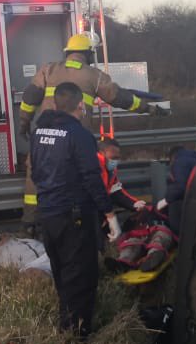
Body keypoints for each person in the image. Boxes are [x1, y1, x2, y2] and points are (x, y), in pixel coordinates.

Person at [18, 34, 150, 234]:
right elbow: (120, 98)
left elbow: (30, 97)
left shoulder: (49, 69)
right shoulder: (94, 76)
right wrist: (147, 107)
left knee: (34, 176)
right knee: (81, 177)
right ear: (88, 53)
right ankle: (85, 225)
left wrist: (24, 122)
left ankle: (30, 224)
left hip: (44, 135)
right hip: (75, 138)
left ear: (68, 52)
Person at [30, 82, 120, 337]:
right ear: (80, 104)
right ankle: (77, 335)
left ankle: (66, 325)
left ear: (56, 104)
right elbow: (91, 177)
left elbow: (35, 170)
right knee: (80, 274)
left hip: (48, 213)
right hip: (73, 216)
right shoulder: (79, 135)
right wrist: (110, 214)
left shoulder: (39, 132)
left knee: (61, 272)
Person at [157, 144, 196, 234]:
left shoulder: (179, 162)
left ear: (172, 157)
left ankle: (178, 237)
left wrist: (166, 199)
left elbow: (180, 187)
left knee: (174, 203)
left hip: (195, 201)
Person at [98, 140, 148, 214]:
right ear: (102, 152)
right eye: (113, 157)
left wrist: (134, 203)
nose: (115, 160)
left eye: (117, 158)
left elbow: (116, 191)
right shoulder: (93, 167)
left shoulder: (111, 170)